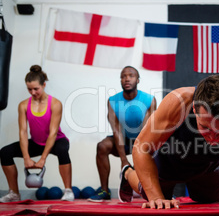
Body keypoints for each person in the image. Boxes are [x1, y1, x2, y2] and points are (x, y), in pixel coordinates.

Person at [117, 74, 219, 209]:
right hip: (168, 161)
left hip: (205, 165)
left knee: (214, 198)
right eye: (204, 127)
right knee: (154, 197)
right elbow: (142, 147)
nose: (212, 138)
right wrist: (156, 198)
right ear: (194, 108)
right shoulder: (178, 102)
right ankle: (128, 173)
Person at [0, 65, 74, 202]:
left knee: (63, 150)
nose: (33, 92)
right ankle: (14, 193)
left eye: (36, 89)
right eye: (29, 89)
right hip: (36, 142)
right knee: (5, 152)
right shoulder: (23, 105)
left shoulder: (55, 104)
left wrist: (42, 159)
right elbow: (22, 132)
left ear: (44, 85)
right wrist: (27, 157)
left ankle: (68, 191)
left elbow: (52, 133)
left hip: (56, 140)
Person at [88, 66, 156, 202]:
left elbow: (146, 132)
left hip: (143, 139)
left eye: (131, 76)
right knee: (102, 146)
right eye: (123, 76)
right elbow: (117, 130)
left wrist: (138, 163)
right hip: (122, 140)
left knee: (162, 146)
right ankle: (104, 191)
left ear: (138, 80)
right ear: (120, 80)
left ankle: (161, 189)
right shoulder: (113, 101)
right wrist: (124, 161)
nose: (127, 79)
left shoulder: (149, 100)